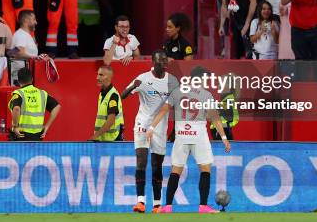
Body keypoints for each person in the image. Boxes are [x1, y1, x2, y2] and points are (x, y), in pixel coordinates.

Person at [146, 66, 231, 213]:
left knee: (176, 171)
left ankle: (167, 206)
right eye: (205, 78)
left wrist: (151, 128)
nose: (206, 80)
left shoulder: (177, 92)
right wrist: (224, 138)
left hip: (182, 134)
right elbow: (215, 118)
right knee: (205, 169)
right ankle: (203, 206)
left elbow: (163, 110)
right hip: (199, 134)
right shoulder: (205, 94)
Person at [121, 50, 178, 213]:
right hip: (143, 123)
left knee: (156, 165)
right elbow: (123, 95)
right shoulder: (144, 78)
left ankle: (157, 204)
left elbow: (176, 107)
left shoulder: (172, 81)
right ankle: (140, 202)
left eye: (165, 60)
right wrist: (133, 86)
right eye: (161, 61)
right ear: (154, 62)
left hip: (160, 126)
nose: (164, 63)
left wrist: (174, 129)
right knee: (141, 160)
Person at [10, 67, 61, 141]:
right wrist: (47, 126)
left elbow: (16, 109)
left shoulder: (18, 94)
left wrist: (15, 126)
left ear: (18, 81)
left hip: (21, 134)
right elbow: (57, 107)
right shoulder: (42, 93)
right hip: (37, 136)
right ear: (32, 79)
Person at [90, 65, 125, 142]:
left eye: (101, 75)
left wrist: (94, 137)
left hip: (112, 141)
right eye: (98, 74)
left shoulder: (113, 96)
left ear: (109, 78)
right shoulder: (102, 93)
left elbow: (110, 121)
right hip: (104, 141)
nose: (97, 78)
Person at [10, 10, 39, 79]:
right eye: (34, 19)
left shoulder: (23, 35)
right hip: (22, 77)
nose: (36, 22)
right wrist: (37, 58)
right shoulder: (21, 35)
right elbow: (19, 53)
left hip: (24, 75)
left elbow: (12, 53)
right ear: (26, 20)